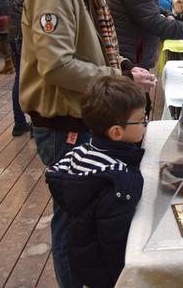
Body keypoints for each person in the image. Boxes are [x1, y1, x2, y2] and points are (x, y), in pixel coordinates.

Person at [19, 0, 155, 287]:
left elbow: (89, 45)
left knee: (81, 221)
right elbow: (58, 66)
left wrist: (124, 67)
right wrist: (117, 76)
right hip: (64, 125)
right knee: (72, 223)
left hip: (81, 118)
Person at [45, 75, 146, 287]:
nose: (146, 123)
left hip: (83, 262)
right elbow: (117, 244)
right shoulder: (117, 182)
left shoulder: (83, 152)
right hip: (106, 275)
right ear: (117, 132)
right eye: (141, 119)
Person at [8, 0, 57, 136]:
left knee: (20, 79)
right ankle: (33, 123)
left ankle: (19, 122)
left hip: (15, 34)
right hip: (26, 38)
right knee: (32, 80)